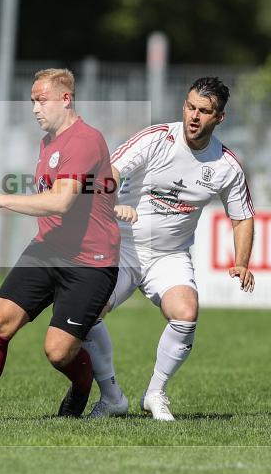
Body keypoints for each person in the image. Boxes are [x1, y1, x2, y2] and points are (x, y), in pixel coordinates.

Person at [83, 77, 255, 421]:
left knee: (186, 313)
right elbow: (111, 170)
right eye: (190, 107)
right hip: (123, 248)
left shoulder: (226, 165)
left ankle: (155, 393)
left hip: (170, 255)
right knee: (87, 313)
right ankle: (112, 395)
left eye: (204, 111)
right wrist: (111, 200)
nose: (194, 116)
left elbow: (242, 217)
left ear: (219, 118)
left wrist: (242, 261)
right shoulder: (157, 138)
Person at [0, 68, 120, 419]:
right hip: (48, 248)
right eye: (32, 101)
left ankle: (82, 386)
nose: (35, 108)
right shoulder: (48, 140)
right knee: (0, 320)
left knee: (57, 352)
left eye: (41, 100)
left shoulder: (84, 139)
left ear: (66, 99)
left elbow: (60, 201)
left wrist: (1, 200)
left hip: (90, 261)